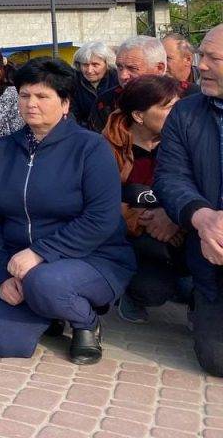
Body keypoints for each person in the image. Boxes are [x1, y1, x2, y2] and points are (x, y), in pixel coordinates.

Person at [0, 58, 135, 365]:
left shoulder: (90, 148)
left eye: (42, 96)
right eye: (24, 95)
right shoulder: (2, 150)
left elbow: (100, 218)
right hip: (20, 262)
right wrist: (0, 276)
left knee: (44, 283)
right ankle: (48, 310)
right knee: (3, 341)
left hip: (91, 258)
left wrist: (39, 253)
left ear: (65, 104)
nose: (31, 104)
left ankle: (85, 322)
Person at [153, 23, 223, 376]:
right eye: (200, 55)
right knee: (217, 361)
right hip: (208, 251)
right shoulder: (187, 112)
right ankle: (201, 300)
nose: (201, 65)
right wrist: (203, 218)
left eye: (212, 58)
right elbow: (169, 177)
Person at [100, 75, 186, 324]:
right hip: (125, 237)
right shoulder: (105, 147)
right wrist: (141, 219)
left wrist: (175, 218)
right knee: (152, 289)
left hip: (176, 230)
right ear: (139, 115)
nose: (177, 114)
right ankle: (130, 292)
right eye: (168, 108)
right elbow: (99, 202)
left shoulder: (184, 141)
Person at [91, 36, 169, 132]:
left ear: (159, 68)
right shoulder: (105, 103)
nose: (123, 76)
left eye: (132, 68)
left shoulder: (185, 99)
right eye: (119, 67)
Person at [71, 41, 120, 130]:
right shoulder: (73, 82)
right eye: (85, 65)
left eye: (95, 65)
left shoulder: (118, 79)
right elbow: (72, 115)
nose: (89, 70)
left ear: (107, 64)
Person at [163, 33, 201, 97]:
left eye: (167, 58)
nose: (162, 64)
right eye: (161, 58)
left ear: (188, 60)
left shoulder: (205, 84)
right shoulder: (156, 86)